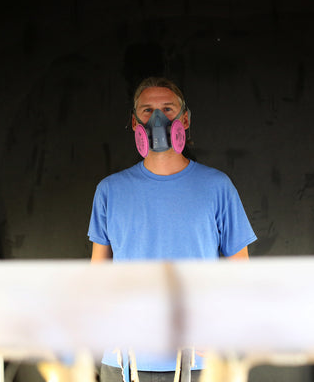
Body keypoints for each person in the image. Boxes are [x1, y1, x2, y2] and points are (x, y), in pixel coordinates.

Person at [88, 77, 257, 382]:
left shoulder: (216, 187)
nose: (157, 118)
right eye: (147, 109)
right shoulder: (110, 191)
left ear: (185, 119)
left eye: (168, 108)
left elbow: (239, 272)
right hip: (126, 358)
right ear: (134, 120)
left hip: (198, 360)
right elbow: (98, 274)